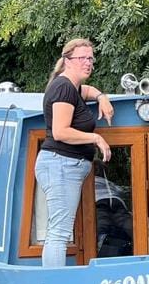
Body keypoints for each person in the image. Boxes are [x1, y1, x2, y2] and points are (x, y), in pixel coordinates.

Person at [34, 38, 114, 267]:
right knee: (59, 233)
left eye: (90, 58)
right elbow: (60, 132)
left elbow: (86, 90)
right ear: (68, 61)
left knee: (60, 230)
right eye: (82, 58)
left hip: (66, 165)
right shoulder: (62, 87)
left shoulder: (72, 86)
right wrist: (96, 137)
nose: (88, 63)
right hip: (60, 164)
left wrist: (101, 97)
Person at [95, 164, 133, 256]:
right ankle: (138, 239)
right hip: (116, 201)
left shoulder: (87, 182)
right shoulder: (109, 183)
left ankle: (101, 241)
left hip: (99, 203)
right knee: (125, 222)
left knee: (102, 223)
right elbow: (120, 191)